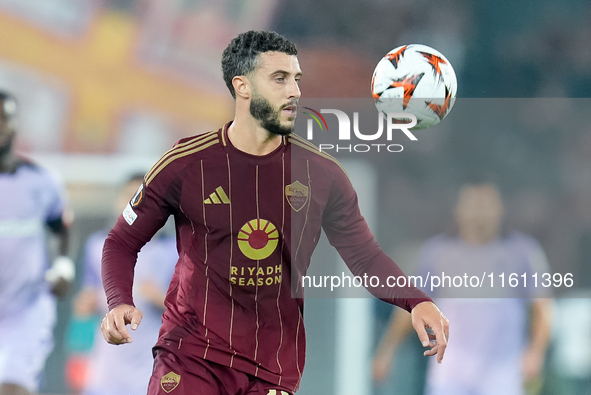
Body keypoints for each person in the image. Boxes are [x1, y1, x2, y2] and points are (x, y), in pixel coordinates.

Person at [100, 30, 449, 395]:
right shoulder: (187, 164)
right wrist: (119, 300)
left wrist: (416, 301)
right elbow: (121, 241)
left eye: (296, 80)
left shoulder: (321, 174)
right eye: (280, 79)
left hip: (271, 368)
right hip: (191, 354)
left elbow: (364, 257)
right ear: (243, 86)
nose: (295, 91)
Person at [373, 180, 553, 395]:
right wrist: (387, 350)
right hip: (451, 376)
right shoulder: (438, 253)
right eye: (472, 205)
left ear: (500, 208)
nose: (479, 213)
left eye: (485, 205)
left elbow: (543, 308)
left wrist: (536, 352)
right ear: (458, 210)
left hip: (502, 376)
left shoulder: (523, 252)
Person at [70, 174, 177, 395]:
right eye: (130, 197)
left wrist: (161, 299)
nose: (136, 205)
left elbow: (191, 312)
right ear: (119, 201)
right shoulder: (98, 246)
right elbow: (83, 308)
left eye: (143, 198)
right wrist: (84, 309)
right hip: (106, 370)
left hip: (152, 367)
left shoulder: (174, 251)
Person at [0, 90, 74, 395]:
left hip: (27, 306)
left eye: (4, 118)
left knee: (14, 387)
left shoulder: (42, 181)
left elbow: (61, 229)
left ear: (15, 124)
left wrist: (63, 267)